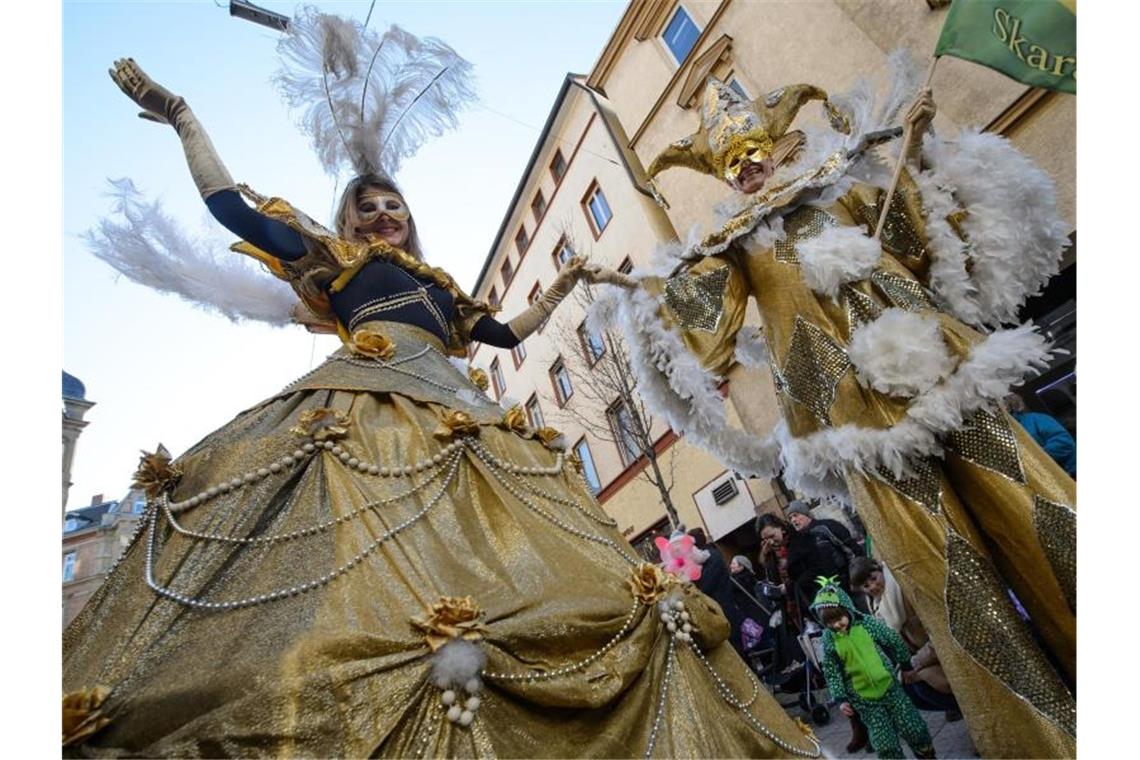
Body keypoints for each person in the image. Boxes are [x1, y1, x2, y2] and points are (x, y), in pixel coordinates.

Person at [61, 29, 823, 758]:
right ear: (347, 220)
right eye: (368, 206)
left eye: (394, 204)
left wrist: (565, 284)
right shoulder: (340, 260)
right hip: (364, 398)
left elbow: (505, 335)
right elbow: (232, 207)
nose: (384, 213)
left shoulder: (444, 290)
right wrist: (184, 118)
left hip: (457, 408)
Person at [601, 68, 1076, 757]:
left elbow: (921, 239)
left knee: (1046, 521)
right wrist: (642, 292)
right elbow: (701, 329)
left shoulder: (843, 186)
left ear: (779, 144)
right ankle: (1044, 744)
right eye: (733, 164)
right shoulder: (737, 247)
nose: (749, 169)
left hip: (940, 379)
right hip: (856, 431)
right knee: (955, 590)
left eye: (754, 152)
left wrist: (919, 147)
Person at [812, 579, 935, 759]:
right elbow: (832, 672)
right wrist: (841, 699)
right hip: (864, 699)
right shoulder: (829, 640)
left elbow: (892, 639)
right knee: (884, 743)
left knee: (914, 727)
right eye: (830, 622)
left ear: (847, 609)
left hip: (891, 688)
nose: (837, 624)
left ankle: (927, 755)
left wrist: (905, 664)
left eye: (839, 618)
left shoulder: (866, 624)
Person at [850, 557, 960, 718]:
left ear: (881, 571)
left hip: (942, 654)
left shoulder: (902, 590)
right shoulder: (877, 607)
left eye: (874, 579)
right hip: (925, 658)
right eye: (866, 586)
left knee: (920, 685)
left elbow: (940, 633)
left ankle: (962, 706)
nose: (873, 586)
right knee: (905, 688)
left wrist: (916, 663)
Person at [786, 501, 861, 589]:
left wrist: (856, 575)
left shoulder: (826, 527)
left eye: (796, 515)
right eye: (790, 518)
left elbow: (850, 548)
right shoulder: (800, 542)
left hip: (851, 580)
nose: (793, 520)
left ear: (806, 514)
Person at [1006, 394, 1076, 477]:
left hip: (1071, 471)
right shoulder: (1006, 432)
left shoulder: (1034, 419)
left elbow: (1063, 442)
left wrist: (1036, 460)